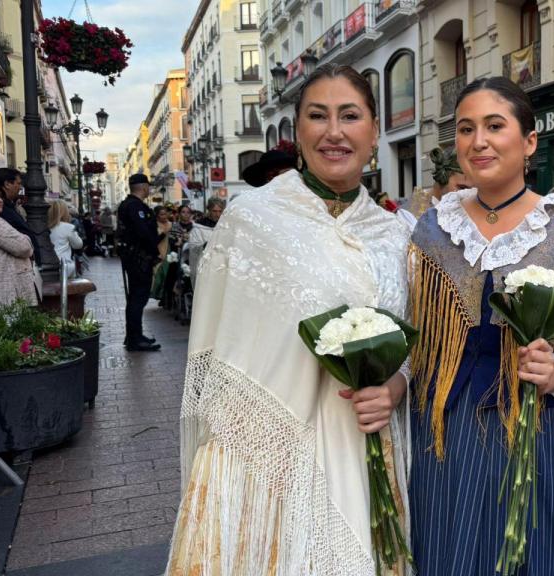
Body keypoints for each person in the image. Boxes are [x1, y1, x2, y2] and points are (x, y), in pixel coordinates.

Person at [166, 64, 413, 574]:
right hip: (266, 456)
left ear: (373, 130)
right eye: (318, 116)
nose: (334, 131)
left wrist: (395, 387)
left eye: (350, 115)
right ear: (297, 131)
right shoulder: (252, 218)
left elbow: (414, 338)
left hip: (365, 443)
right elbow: (220, 335)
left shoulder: (395, 233)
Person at [408, 76, 554, 575]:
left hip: (532, 425)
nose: (478, 141)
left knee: (525, 550)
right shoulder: (432, 228)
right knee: (443, 544)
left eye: (494, 126)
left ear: (529, 142)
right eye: (465, 129)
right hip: (443, 425)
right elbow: (414, 327)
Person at [116, 174, 163, 352]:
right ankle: (135, 339)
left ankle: (135, 335)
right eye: (148, 187)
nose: (149, 189)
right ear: (143, 187)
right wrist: (155, 252)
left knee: (136, 298)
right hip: (139, 258)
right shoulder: (135, 207)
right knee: (138, 298)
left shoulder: (129, 205)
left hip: (135, 257)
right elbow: (144, 233)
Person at [0, 194, 37, 306]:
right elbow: (24, 247)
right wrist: (27, 237)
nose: (0, 200)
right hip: (5, 289)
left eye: (0, 197)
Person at [0, 167, 40, 266]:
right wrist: (27, 240)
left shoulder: (10, 207)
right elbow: (23, 247)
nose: (20, 187)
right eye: (18, 183)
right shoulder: (2, 213)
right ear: (7, 184)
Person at [187, 197, 225, 287]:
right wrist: (204, 246)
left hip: (222, 266)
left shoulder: (225, 225)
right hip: (206, 266)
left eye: (220, 211)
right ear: (209, 210)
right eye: (214, 211)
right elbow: (193, 246)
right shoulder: (199, 226)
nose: (217, 214)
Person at [47, 200, 83, 278]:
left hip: (47, 265)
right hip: (64, 266)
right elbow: (78, 245)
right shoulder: (68, 227)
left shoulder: (43, 226)